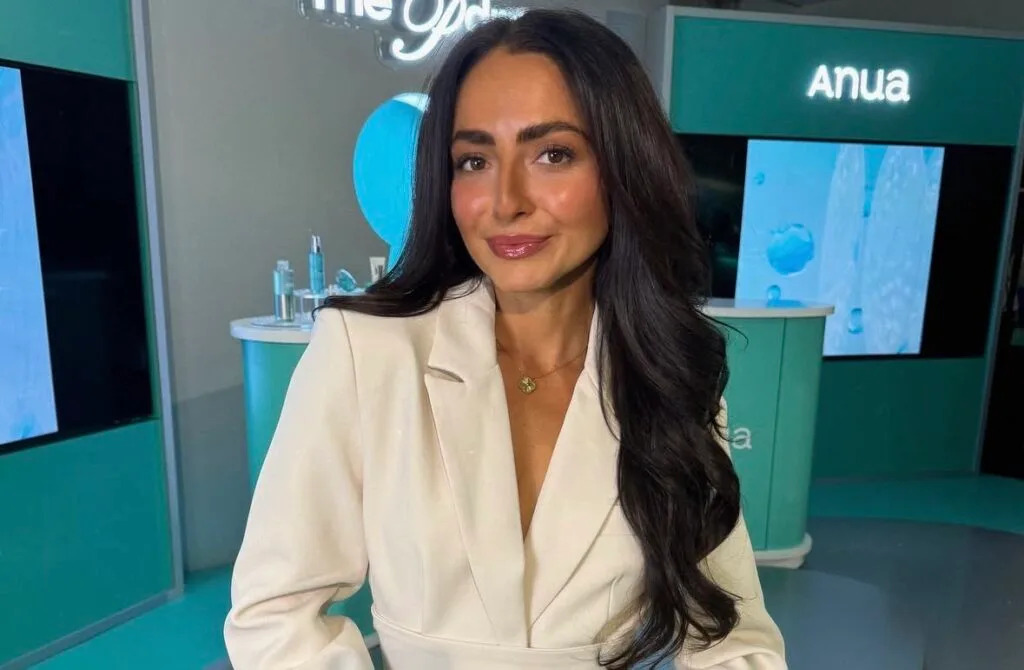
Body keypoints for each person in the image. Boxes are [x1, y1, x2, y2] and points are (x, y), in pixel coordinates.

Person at [224, 9, 786, 670]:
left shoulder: (667, 375)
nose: (506, 200)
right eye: (474, 160)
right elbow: (274, 618)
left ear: (622, 167)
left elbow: (733, 638)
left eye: (553, 154)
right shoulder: (366, 350)